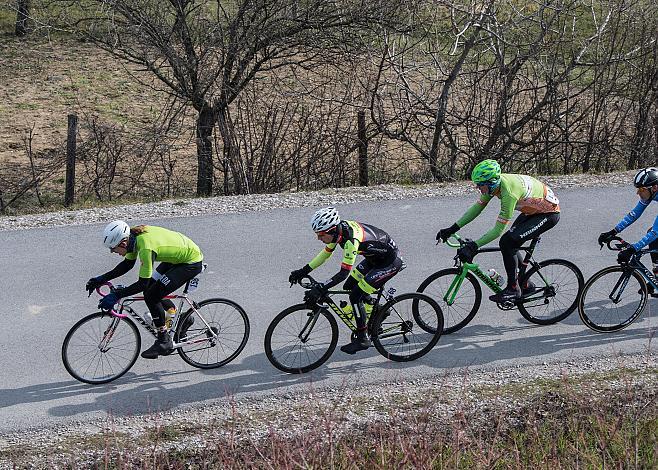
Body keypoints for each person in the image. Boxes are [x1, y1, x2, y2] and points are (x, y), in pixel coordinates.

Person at [436, 159, 560, 303]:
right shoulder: (494, 185)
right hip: (532, 211)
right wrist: (452, 228)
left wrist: (474, 246)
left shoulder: (509, 194)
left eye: (480, 185)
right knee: (511, 242)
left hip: (548, 214)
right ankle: (525, 283)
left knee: (507, 241)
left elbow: (498, 230)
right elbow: (477, 208)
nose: (477, 188)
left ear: (491, 182)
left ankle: (513, 288)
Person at [289, 207, 404, 354]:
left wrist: (321, 288)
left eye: (321, 235)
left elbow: (343, 273)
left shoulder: (350, 241)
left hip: (389, 262)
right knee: (349, 285)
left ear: (331, 230)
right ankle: (378, 310)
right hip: (374, 259)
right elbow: (325, 255)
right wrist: (303, 271)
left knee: (355, 295)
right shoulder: (338, 232)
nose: (318, 238)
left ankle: (362, 338)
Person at [86, 220, 204, 359]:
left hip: (190, 262)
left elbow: (142, 283)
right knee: (151, 289)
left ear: (122, 243)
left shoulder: (145, 247)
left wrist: (117, 295)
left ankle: (164, 340)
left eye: (113, 248)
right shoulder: (132, 239)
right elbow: (127, 265)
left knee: (151, 295)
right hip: (177, 257)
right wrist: (100, 279)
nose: (113, 252)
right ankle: (181, 317)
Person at [598, 167, 658, 287]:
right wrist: (613, 231)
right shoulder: (651, 193)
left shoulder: (652, 190)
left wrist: (633, 249)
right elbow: (634, 214)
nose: (638, 193)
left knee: (653, 234)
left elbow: (655, 233)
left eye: (641, 189)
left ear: (654, 187)